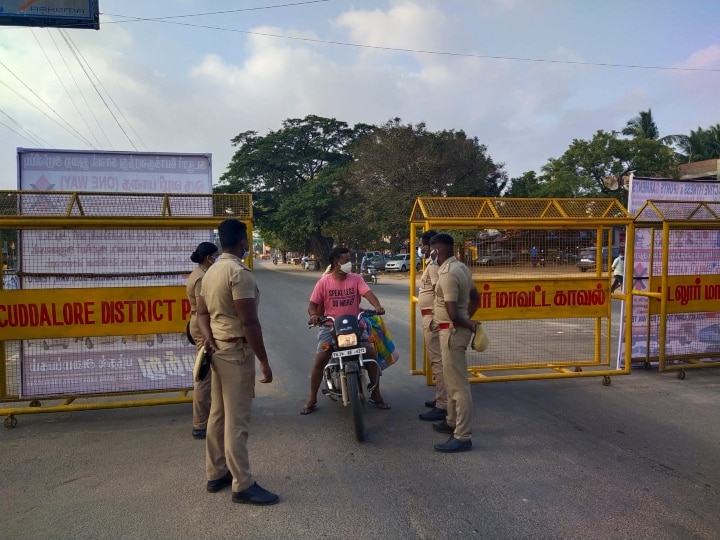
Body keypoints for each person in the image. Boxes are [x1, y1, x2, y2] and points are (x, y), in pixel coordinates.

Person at [196, 219, 278, 506]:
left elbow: (201, 314)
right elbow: (249, 322)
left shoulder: (212, 271)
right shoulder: (239, 273)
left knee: (217, 415)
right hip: (235, 353)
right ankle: (242, 484)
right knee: (237, 420)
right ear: (243, 242)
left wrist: (207, 338)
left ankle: (216, 472)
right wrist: (264, 362)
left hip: (217, 350)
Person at [302, 246, 390, 415]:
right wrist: (314, 315)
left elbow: (368, 293)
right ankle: (312, 398)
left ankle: (377, 394)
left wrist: (377, 306)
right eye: (346, 260)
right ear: (336, 263)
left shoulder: (356, 278)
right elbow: (312, 304)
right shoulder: (324, 282)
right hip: (331, 327)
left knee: (371, 355)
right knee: (320, 360)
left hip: (355, 326)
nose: (349, 263)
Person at [429, 233, 479, 453]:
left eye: (430, 250)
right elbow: (476, 298)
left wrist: (468, 323)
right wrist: (467, 317)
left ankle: (462, 436)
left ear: (435, 251)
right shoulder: (462, 267)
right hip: (452, 330)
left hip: (452, 331)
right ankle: (451, 421)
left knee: (458, 387)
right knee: (451, 382)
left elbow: (451, 313)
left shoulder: (448, 274)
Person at [186, 241, 219, 440]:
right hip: (202, 326)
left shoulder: (199, 273)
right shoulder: (201, 277)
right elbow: (202, 310)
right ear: (209, 258)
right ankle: (200, 424)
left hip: (201, 324)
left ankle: (209, 419)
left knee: (208, 374)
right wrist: (208, 337)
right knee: (204, 376)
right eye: (216, 256)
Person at [416, 229, 447, 422]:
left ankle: (442, 405)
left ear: (428, 247)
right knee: (437, 361)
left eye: (421, 245)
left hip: (433, 318)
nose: (420, 249)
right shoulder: (430, 264)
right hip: (430, 316)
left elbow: (438, 290)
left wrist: (435, 317)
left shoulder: (434, 266)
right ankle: (440, 399)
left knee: (438, 362)